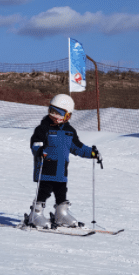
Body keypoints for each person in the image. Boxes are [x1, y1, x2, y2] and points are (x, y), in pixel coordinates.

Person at [26, 94, 99, 228]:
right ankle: (36, 214)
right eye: (51, 110)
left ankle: (61, 214)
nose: (53, 115)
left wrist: (92, 153)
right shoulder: (43, 128)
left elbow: (78, 147)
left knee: (61, 192)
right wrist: (39, 150)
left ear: (67, 115)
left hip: (61, 170)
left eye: (58, 112)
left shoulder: (69, 132)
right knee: (44, 191)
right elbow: (35, 144)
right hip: (46, 168)